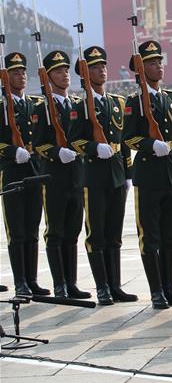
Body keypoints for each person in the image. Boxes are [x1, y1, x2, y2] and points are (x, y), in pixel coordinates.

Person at [124, 40, 172, 310]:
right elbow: (128, 138)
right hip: (149, 175)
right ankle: (156, 291)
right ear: (141, 70)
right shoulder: (135, 102)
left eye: (159, 62)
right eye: (152, 63)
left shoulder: (170, 98)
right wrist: (150, 145)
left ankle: (169, 288)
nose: (159, 67)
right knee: (150, 236)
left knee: (171, 236)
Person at [68, 46, 135, 305]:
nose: (102, 70)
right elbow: (74, 141)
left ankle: (115, 285)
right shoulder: (81, 106)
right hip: (94, 176)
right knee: (97, 234)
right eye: (95, 67)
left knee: (114, 234)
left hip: (116, 174)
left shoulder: (117, 102)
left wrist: (128, 173)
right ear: (86, 74)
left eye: (103, 65)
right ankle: (102, 287)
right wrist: (94, 148)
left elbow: (124, 140)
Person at [32, 50, 90, 299]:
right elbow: (38, 144)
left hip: (76, 176)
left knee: (73, 232)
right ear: (48, 77)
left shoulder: (77, 105)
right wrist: (57, 153)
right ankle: (59, 284)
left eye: (66, 70)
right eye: (58, 71)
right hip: (54, 177)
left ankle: (72, 283)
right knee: (55, 231)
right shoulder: (42, 108)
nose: (65, 75)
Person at [0, 52, 48, 297]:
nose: (21, 76)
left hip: (34, 170)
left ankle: (32, 280)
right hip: (12, 172)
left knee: (32, 227)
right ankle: (20, 282)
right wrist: (11, 151)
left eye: (22, 72)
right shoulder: (1, 107)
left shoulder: (35, 104)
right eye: (15, 72)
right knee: (17, 229)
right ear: (5, 77)